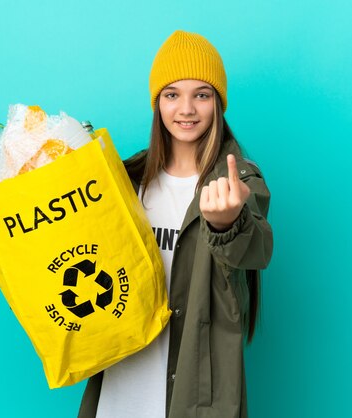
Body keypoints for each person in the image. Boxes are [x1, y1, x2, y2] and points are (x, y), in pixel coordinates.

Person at [78, 30, 273, 418]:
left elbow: (258, 247)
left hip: (196, 388)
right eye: (172, 95)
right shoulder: (126, 179)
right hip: (122, 379)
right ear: (157, 103)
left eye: (201, 94)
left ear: (218, 103)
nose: (186, 109)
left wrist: (225, 225)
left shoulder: (238, 183)